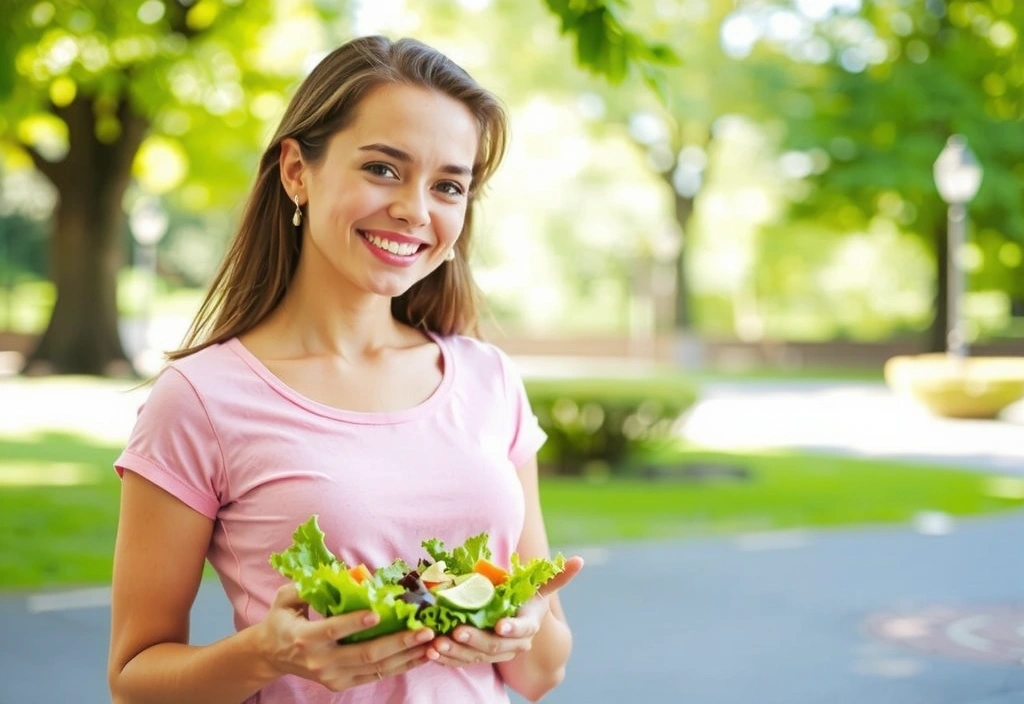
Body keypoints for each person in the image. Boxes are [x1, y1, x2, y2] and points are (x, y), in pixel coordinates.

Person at [107, 35, 584, 704]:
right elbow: (133, 681)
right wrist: (268, 655)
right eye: (384, 169)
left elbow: (541, 673)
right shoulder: (202, 400)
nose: (416, 209)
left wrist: (524, 623)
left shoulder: (489, 381)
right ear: (297, 172)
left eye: (448, 185)